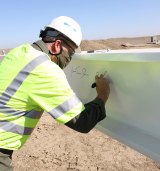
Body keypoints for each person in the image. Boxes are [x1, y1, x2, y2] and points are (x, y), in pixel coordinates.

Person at [0, 16, 110, 170]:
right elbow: (83, 122)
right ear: (57, 45)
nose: (70, 59)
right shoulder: (44, 69)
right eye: (71, 53)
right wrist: (103, 94)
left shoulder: (20, 51)